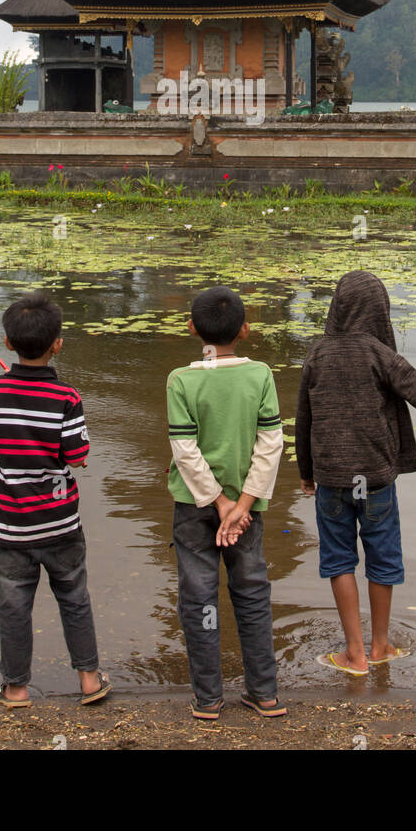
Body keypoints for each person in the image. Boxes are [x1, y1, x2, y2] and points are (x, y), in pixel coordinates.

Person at [296, 271, 416, 676]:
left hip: (330, 480)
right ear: (380, 312)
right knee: (382, 560)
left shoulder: (316, 355)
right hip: (378, 481)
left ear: (337, 308)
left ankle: (354, 654)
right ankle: (380, 646)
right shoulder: (382, 355)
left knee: (339, 562)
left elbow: (303, 419)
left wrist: (306, 473)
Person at [0, 292, 109, 708]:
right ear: (58, 344)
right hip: (60, 524)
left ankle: (15, 688)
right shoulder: (67, 398)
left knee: (14, 606)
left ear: (8, 342)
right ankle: (89, 679)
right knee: (74, 597)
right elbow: (77, 456)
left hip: (11, 525)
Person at [167, 285, 285, 721]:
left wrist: (218, 503)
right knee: (252, 592)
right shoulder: (261, 376)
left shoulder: (181, 379)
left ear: (193, 328)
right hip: (247, 510)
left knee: (199, 598)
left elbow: (184, 449)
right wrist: (243, 504)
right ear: (246, 330)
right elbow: (271, 444)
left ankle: (208, 700)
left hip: (193, 506)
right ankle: (265, 694)